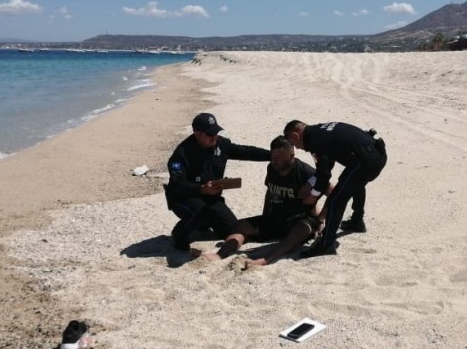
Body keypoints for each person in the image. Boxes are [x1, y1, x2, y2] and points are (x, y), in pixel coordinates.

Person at [201, 136, 331, 265]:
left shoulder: (306, 172)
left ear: (291, 156)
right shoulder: (272, 168)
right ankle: (220, 254)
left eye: (279, 158)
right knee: (241, 225)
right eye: (273, 157)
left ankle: (267, 259)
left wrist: (320, 220)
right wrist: (265, 215)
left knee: (301, 230)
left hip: (299, 220)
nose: (275, 161)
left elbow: (332, 193)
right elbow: (270, 191)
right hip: (276, 217)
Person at [165, 113, 270, 251]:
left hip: (210, 196)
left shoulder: (221, 144)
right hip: (184, 198)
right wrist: (202, 188)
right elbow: (178, 185)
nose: (214, 136)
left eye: (216, 132)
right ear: (197, 133)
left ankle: (203, 223)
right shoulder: (181, 154)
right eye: (210, 134)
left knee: (230, 230)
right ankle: (179, 233)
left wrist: (272, 155)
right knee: (202, 213)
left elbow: (245, 151)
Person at [283, 120, 387, 258]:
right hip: (374, 153)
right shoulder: (318, 131)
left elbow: (324, 174)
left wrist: (313, 195)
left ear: (295, 135)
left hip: (367, 161)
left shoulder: (314, 140)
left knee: (336, 200)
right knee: (353, 183)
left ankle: (326, 244)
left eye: (294, 143)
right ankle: (357, 221)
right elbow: (326, 163)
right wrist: (312, 182)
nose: (296, 148)